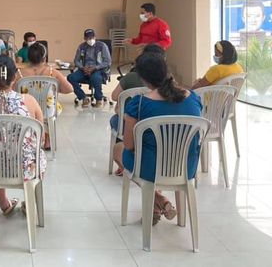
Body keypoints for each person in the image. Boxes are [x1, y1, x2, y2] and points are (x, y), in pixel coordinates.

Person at [113, 53, 203, 226]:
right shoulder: (193, 98)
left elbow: (130, 145)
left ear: (143, 78)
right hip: (186, 166)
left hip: (152, 168)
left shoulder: (139, 103)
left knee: (119, 149)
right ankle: (160, 201)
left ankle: (158, 200)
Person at [0, 55, 46, 215]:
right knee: (38, 155)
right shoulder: (30, 101)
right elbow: (41, 139)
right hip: (26, 169)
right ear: (15, 76)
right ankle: (29, 201)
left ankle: (3, 202)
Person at [109, 44, 166, 175]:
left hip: (132, 127)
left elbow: (114, 96)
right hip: (163, 138)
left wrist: (121, 112)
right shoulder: (171, 85)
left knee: (116, 122)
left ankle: (122, 159)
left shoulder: (132, 79)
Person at [15, 43, 73, 150]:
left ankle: (30, 139)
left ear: (28, 58)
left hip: (27, 109)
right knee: (54, 107)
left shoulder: (20, 74)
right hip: (47, 109)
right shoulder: (53, 72)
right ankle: (47, 140)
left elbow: (13, 91)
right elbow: (69, 89)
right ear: (44, 58)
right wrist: (55, 89)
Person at [67, 29, 112, 108]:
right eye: (88, 38)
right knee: (71, 77)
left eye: (92, 38)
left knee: (95, 77)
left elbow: (107, 61)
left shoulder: (102, 46)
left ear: (95, 37)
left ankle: (99, 99)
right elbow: (76, 60)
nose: (90, 40)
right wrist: (82, 67)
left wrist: (95, 68)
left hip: (98, 69)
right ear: (84, 38)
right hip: (84, 69)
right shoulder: (81, 47)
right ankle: (84, 97)